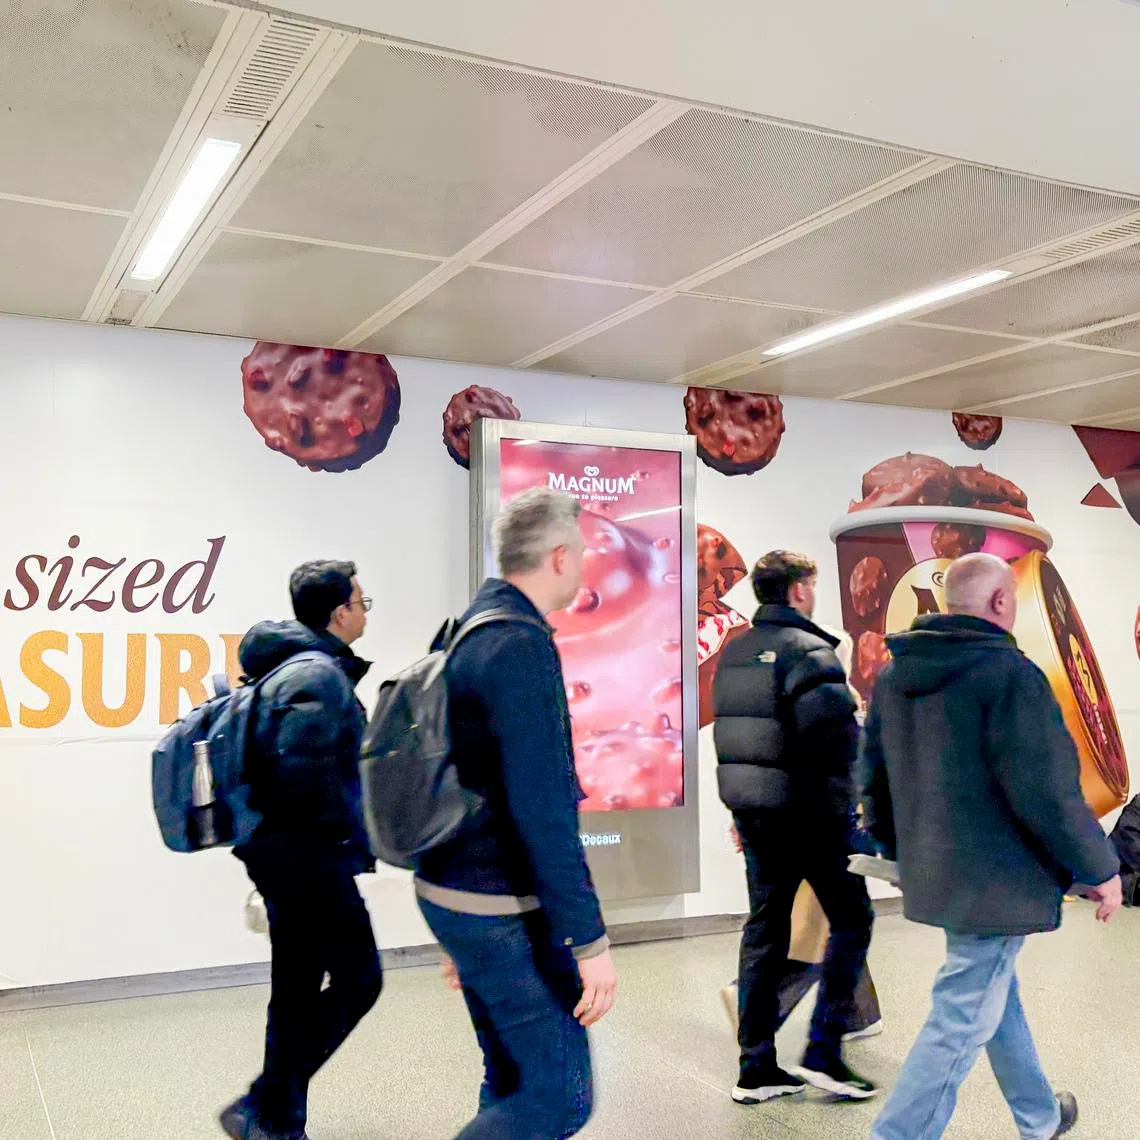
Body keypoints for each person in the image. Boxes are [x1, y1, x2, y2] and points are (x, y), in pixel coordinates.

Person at [862, 552, 1122, 1140]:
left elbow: (873, 774)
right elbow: (1048, 790)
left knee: (990, 988)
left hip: (938, 868)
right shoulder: (1010, 675)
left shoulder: (897, 674)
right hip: (998, 876)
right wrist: (1100, 867)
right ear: (1002, 602)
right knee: (960, 1014)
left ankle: (1040, 1115)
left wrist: (899, 850)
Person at [413, 487, 616, 1139]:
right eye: (580, 552)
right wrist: (589, 942)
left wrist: (457, 928)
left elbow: (453, 770)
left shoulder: (467, 628)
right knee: (560, 1097)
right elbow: (544, 813)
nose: (584, 564)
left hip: (456, 889)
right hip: (495, 902)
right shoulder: (520, 646)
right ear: (558, 557)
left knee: (509, 1074)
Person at [220, 561, 381, 1140]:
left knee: (294, 992)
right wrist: (342, 840)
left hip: (282, 856)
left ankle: (276, 1121)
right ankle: (267, 1103)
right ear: (340, 612)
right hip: (310, 860)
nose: (365, 610)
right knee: (362, 979)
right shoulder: (318, 676)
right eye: (363, 601)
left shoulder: (295, 669)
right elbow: (304, 777)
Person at [713, 550, 876, 1105]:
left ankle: (755, 1069)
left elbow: (733, 740)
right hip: (812, 818)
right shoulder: (812, 651)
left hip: (756, 818)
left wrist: (741, 810)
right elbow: (835, 743)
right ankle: (825, 1053)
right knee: (853, 919)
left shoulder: (735, 654)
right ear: (800, 590)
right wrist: (858, 810)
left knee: (765, 932)